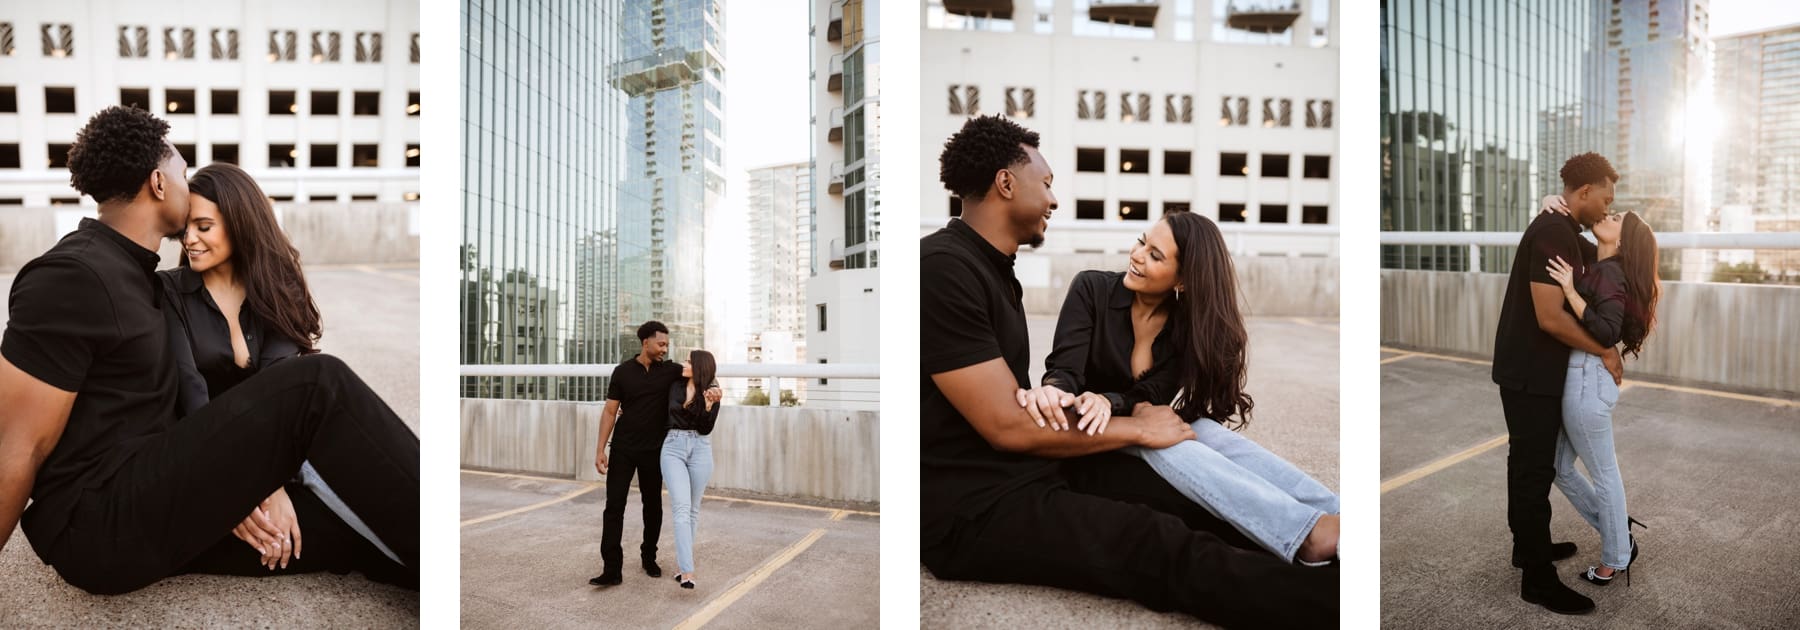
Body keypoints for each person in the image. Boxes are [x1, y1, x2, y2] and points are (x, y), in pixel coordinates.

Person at [919, 114, 1336, 627]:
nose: (1053, 200)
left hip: (1029, 467)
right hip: (971, 507)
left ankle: (1323, 529)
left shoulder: (994, 271)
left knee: (1187, 497)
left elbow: (1017, 407)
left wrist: (1060, 402)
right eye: (1046, 184)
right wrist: (1134, 424)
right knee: (1155, 543)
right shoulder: (941, 267)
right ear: (1006, 182)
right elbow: (1005, 426)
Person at [0, 106, 419, 595]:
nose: (186, 181)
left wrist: (237, 481)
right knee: (318, 383)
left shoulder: (136, 275)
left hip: (154, 493)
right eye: (181, 171)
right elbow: (16, 442)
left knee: (340, 530)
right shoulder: (72, 276)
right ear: (158, 182)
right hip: (99, 519)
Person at [1022, 210, 1339, 565]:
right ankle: (1304, 536)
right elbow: (1064, 370)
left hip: (1131, 422)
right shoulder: (1091, 288)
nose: (1137, 255)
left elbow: (1149, 398)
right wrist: (1059, 390)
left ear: (1183, 281)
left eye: (1155, 255)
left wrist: (1111, 401)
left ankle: (1335, 515)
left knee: (1204, 431)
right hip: (1088, 438)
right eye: (1143, 242)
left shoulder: (1184, 328)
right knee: (1165, 440)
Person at [160, 162, 406, 579]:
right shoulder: (168, 292)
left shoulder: (275, 286)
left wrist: (270, 482)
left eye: (204, 226)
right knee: (351, 538)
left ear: (239, 224)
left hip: (287, 453)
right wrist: (251, 489)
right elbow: (192, 395)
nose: (190, 239)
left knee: (378, 499)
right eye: (187, 228)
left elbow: (278, 389)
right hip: (214, 457)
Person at [1491, 152, 1624, 615]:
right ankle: (1537, 580)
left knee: (1528, 467)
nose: (1610, 207)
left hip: (1535, 369)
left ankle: (1527, 549)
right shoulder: (1553, 231)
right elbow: (1549, 317)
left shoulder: (1567, 231)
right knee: (1533, 473)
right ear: (1583, 192)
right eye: (1606, 198)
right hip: (1531, 371)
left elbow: (1600, 274)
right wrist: (1604, 349)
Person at [1544, 208, 1659, 587]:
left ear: (1622, 240)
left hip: (1588, 379)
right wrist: (1551, 200)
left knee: (1605, 474)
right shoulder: (1602, 262)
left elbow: (1607, 332)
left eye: (1615, 218)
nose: (1606, 215)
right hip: (1585, 378)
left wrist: (1570, 292)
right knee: (1560, 468)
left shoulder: (1611, 273)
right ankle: (1617, 532)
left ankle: (1615, 558)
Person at [590, 321, 720, 587]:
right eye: (660, 344)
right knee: (614, 507)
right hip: (623, 448)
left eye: (667, 345)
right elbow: (610, 411)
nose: (664, 349)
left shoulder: (671, 370)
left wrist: (717, 389)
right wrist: (600, 449)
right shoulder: (622, 372)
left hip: (656, 450)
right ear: (645, 342)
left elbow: (704, 372)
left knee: (653, 507)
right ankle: (612, 569)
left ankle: (649, 558)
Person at [662, 350, 721, 589]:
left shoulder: (712, 393)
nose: (683, 364)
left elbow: (705, 429)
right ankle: (687, 570)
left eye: (688, 361)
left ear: (699, 368)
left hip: (700, 447)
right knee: (682, 508)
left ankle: (681, 564)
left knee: (693, 510)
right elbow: (652, 389)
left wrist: (707, 407)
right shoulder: (674, 383)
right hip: (673, 447)